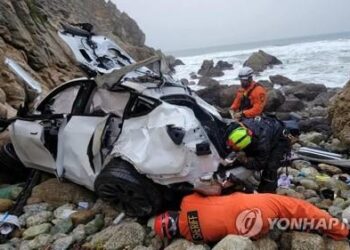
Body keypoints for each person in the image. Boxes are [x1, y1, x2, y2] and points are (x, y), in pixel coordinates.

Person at [149, 192, 349, 243]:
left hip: (253, 231)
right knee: (299, 208)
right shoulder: (187, 202)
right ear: (171, 214)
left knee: (279, 220)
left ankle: (287, 225)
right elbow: (211, 189)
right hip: (255, 207)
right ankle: (340, 231)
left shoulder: (193, 237)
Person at [225, 117, 300, 193]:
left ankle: (266, 193)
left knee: (270, 167)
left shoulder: (262, 145)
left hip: (279, 138)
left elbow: (260, 164)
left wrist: (244, 160)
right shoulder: (236, 127)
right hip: (267, 127)